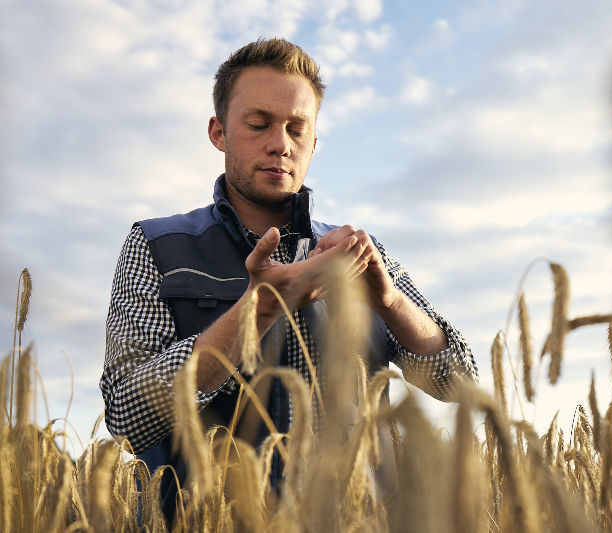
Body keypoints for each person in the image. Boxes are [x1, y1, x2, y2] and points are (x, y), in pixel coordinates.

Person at [100, 37, 478, 521]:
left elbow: (462, 384)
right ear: (218, 132)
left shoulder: (360, 253)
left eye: (297, 129)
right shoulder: (157, 246)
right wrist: (256, 312)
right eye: (258, 124)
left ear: (314, 144)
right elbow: (127, 413)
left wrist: (389, 303)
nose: (280, 144)